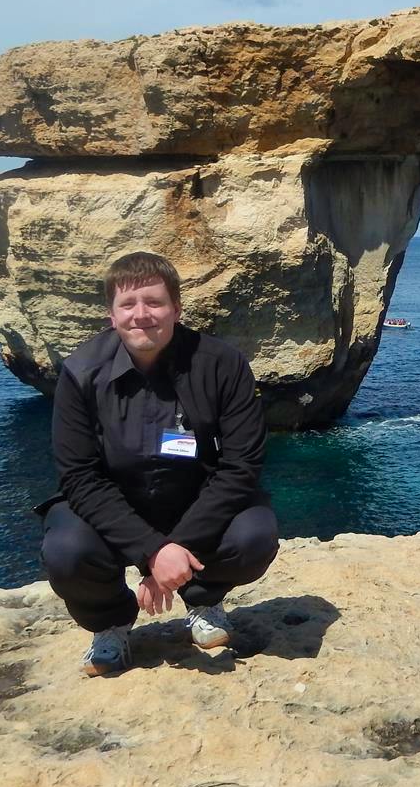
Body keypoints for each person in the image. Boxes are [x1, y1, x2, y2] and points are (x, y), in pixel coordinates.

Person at [33, 251, 279, 676]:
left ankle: (203, 599)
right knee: (66, 551)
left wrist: (176, 550)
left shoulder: (223, 365)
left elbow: (241, 465)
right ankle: (110, 620)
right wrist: (153, 552)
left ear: (176, 309)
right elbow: (79, 476)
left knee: (254, 535)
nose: (141, 315)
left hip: (193, 500)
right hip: (110, 505)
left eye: (155, 302)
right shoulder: (80, 372)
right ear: (111, 315)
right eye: (128, 304)